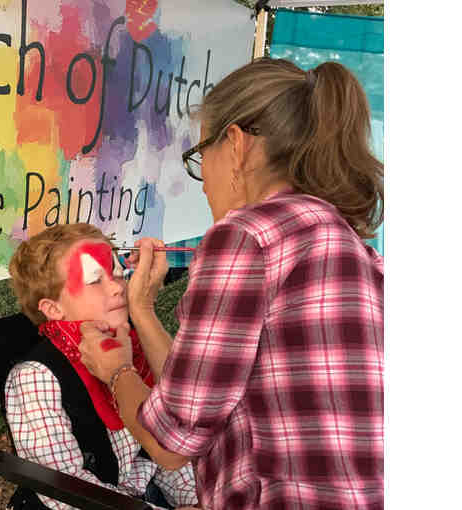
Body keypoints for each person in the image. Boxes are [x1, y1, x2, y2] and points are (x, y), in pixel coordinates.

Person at [78, 58, 384, 509]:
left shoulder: (248, 235)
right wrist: (142, 310)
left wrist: (116, 371)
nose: (203, 185)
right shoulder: (349, 241)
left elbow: (171, 443)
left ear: (237, 145)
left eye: (201, 157)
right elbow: (202, 398)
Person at [5, 223, 199, 510]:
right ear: (54, 309)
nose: (118, 287)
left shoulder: (131, 347)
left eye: (117, 273)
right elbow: (64, 489)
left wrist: (196, 499)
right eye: (95, 280)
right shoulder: (36, 378)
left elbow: (166, 450)